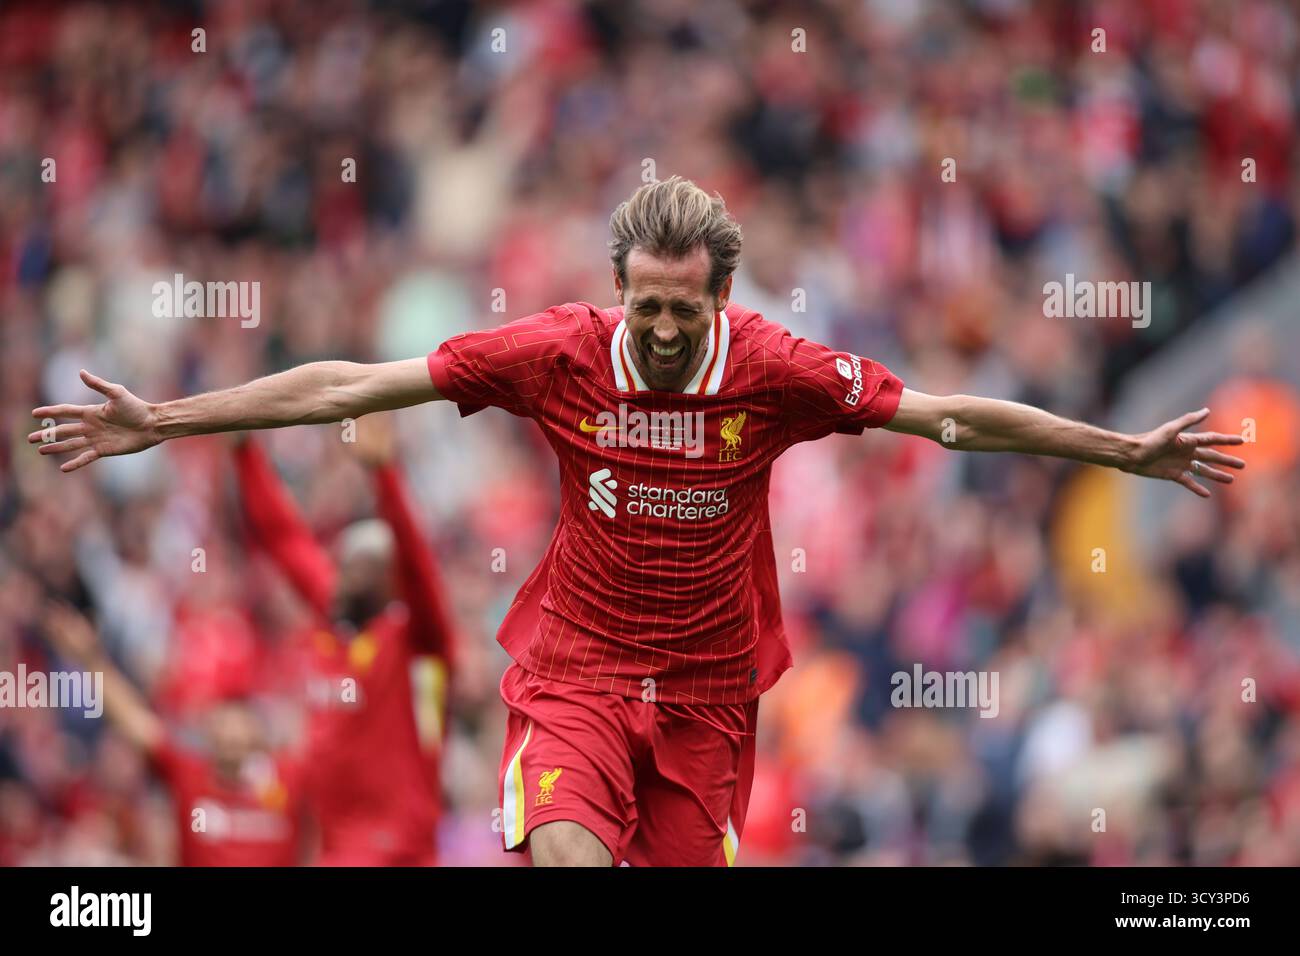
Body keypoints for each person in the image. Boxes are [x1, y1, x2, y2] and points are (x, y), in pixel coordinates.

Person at [29, 176, 1246, 866]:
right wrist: (170, 420)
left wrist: (1121, 448)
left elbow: (951, 422)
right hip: (578, 670)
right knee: (563, 853)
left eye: (682, 308)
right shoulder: (559, 353)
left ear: (720, 294)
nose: (659, 330)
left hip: (709, 694)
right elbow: (353, 382)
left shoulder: (775, 370)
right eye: (644, 305)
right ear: (621, 290)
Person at [230, 415, 456, 866]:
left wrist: (385, 475)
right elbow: (284, 539)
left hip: (399, 853)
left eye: (357, 566)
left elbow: (418, 567)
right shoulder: (336, 618)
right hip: (337, 848)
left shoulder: (418, 639)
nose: (340, 572)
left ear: (388, 581)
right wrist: (243, 451)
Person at [41, 602, 307, 866]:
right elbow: (135, 722)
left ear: (258, 733)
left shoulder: (289, 780)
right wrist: (90, 659)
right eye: (223, 724)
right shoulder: (188, 775)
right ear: (208, 731)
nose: (231, 735)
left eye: (239, 725)